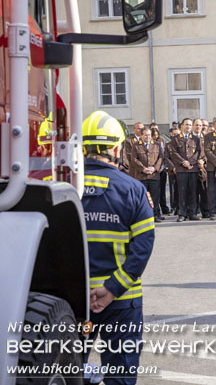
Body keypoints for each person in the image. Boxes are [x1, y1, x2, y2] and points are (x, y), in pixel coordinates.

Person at [81, 111, 155, 385]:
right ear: (116, 148)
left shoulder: (60, 187)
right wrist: (112, 289)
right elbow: (143, 247)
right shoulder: (133, 189)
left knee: (66, 371)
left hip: (76, 302)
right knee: (120, 377)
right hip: (122, 301)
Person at [169, 118, 201, 222]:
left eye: (190, 125)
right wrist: (184, 162)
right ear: (181, 126)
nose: (188, 126)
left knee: (193, 191)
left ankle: (192, 213)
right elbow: (174, 153)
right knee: (182, 192)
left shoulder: (196, 138)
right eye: (186, 124)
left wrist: (190, 162)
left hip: (192, 169)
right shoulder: (176, 139)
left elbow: (198, 152)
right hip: (181, 169)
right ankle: (182, 214)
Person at [131, 127, 164, 222]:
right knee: (143, 197)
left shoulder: (157, 145)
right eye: (145, 135)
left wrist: (154, 168)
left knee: (155, 196)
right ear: (141, 135)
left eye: (149, 135)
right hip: (142, 176)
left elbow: (161, 158)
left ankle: (155, 215)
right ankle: (143, 216)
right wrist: (143, 169)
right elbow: (134, 159)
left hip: (154, 176)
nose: (148, 137)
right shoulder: (136, 145)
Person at [151, 124, 170, 216]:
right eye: (153, 135)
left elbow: (163, 154)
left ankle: (164, 208)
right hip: (153, 171)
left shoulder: (161, 141)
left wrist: (162, 166)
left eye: (156, 134)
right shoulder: (149, 144)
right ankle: (156, 210)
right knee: (155, 192)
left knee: (162, 191)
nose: (155, 136)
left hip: (162, 169)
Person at [192, 119, 210, 218]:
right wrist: (196, 161)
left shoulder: (206, 137)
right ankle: (193, 212)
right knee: (193, 192)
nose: (199, 127)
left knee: (204, 191)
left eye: (200, 125)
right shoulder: (190, 137)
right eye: (197, 125)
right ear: (193, 126)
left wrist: (203, 161)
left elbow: (209, 151)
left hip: (204, 168)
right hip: (193, 167)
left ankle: (205, 211)